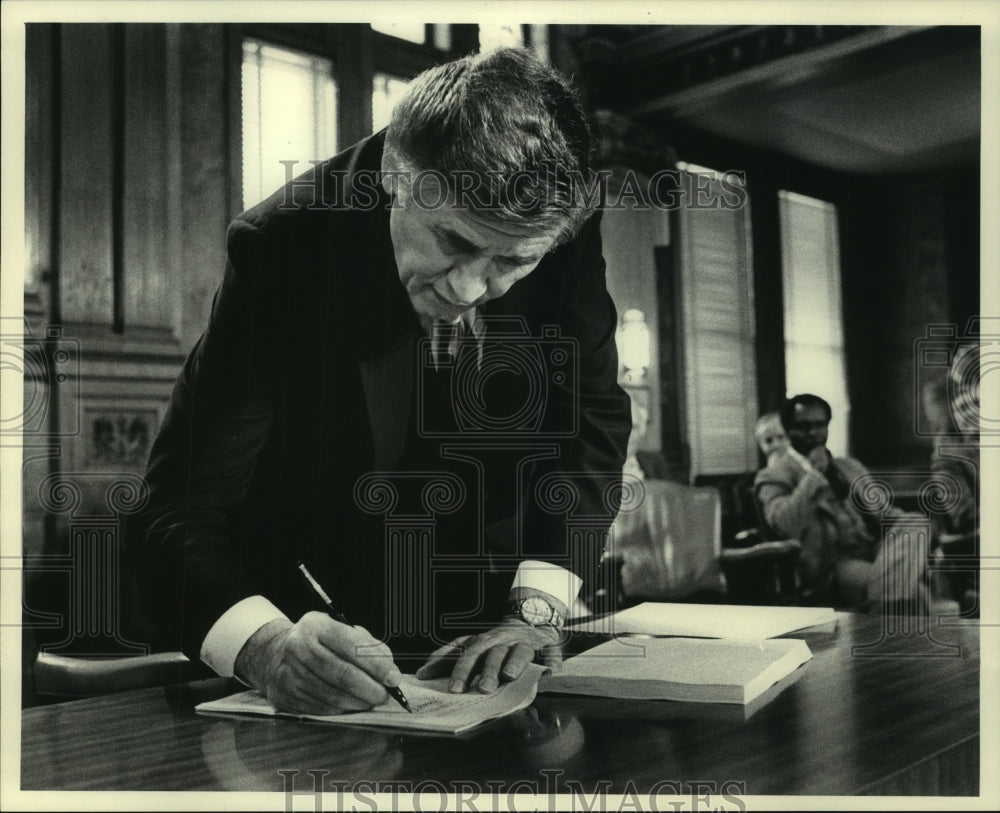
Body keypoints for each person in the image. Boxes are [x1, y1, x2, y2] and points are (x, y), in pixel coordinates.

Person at [126, 48, 631, 715]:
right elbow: (175, 508)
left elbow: (591, 421)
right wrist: (265, 645)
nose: (468, 288)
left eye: (511, 261)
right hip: (318, 634)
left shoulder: (565, 226)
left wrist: (535, 610)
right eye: (451, 240)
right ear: (398, 173)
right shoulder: (287, 248)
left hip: (491, 629)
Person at [753, 394, 928, 609]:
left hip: (878, 551)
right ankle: (885, 608)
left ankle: (882, 607)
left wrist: (916, 534)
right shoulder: (774, 475)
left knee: (916, 523)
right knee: (915, 595)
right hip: (832, 563)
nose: (813, 433)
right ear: (788, 430)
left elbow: (887, 515)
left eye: (820, 425)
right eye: (803, 426)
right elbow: (784, 524)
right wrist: (814, 477)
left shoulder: (850, 466)